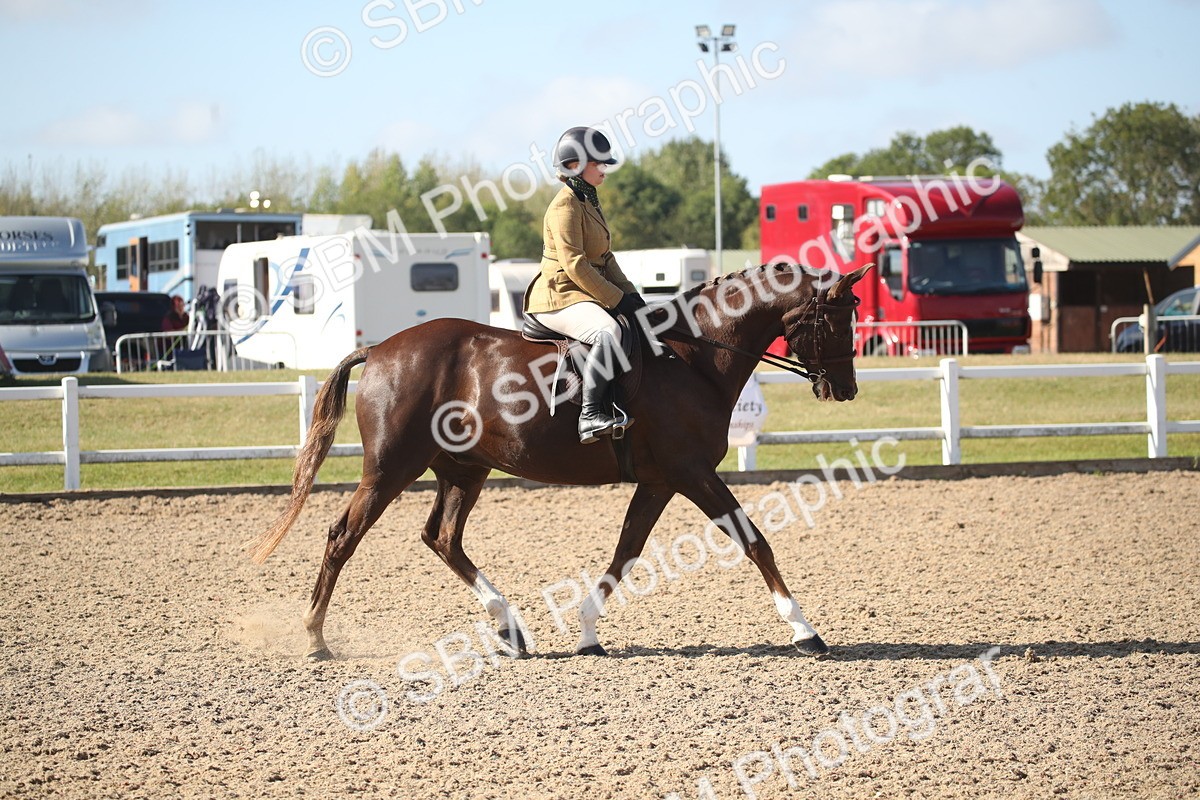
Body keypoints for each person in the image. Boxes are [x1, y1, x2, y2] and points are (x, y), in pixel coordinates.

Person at [524, 126, 648, 444]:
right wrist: (616, 299)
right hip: (558, 295)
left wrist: (631, 295)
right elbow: (575, 264)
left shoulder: (587, 201)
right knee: (608, 331)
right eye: (598, 163)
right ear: (576, 165)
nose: (604, 168)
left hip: (581, 292)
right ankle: (590, 415)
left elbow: (605, 257)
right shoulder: (564, 206)